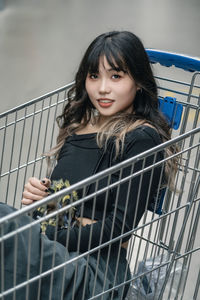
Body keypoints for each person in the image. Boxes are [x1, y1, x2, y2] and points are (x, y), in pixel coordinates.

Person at [0, 31, 177, 300]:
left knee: (6, 227)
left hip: (94, 273)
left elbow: (118, 229)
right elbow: (71, 205)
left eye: (116, 76)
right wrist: (44, 199)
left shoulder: (140, 139)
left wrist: (45, 231)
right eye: (94, 76)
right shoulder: (78, 129)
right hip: (57, 251)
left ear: (138, 82)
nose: (102, 88)